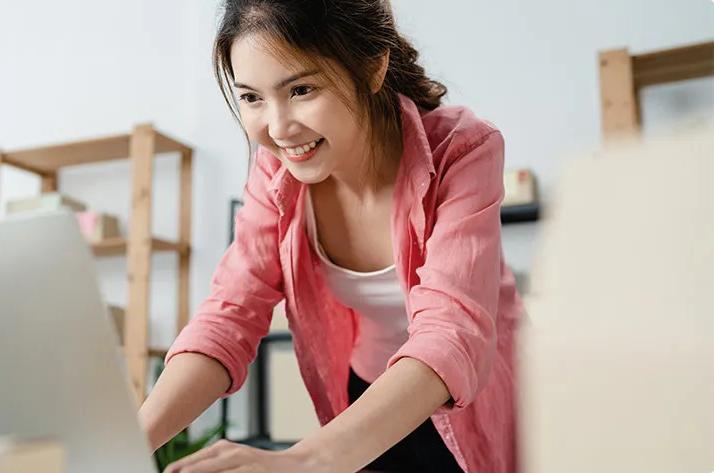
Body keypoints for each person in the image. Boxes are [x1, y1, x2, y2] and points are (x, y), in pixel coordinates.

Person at [138, 1, 523, 472]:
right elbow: (229, 315)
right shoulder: (276, 174)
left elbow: (452, 332)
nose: (278, 128)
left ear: (373, 66)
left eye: (301, 89)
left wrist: (304, 461)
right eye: (252, 98)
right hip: (369, 399)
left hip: (473, 402)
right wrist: (128, 442)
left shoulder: (461, 149)